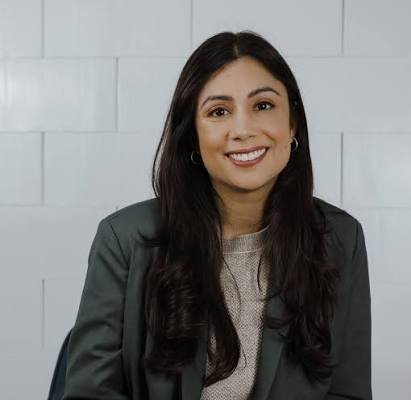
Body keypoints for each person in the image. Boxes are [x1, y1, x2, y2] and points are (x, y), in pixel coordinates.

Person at [62, 30, 372, 400]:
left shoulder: (340, 239)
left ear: (292, 125)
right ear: (192, 136)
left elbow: (347, 392)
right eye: (219, 112)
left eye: (263, 106)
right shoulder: (123, 240)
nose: (243, 130)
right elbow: (89, 393)